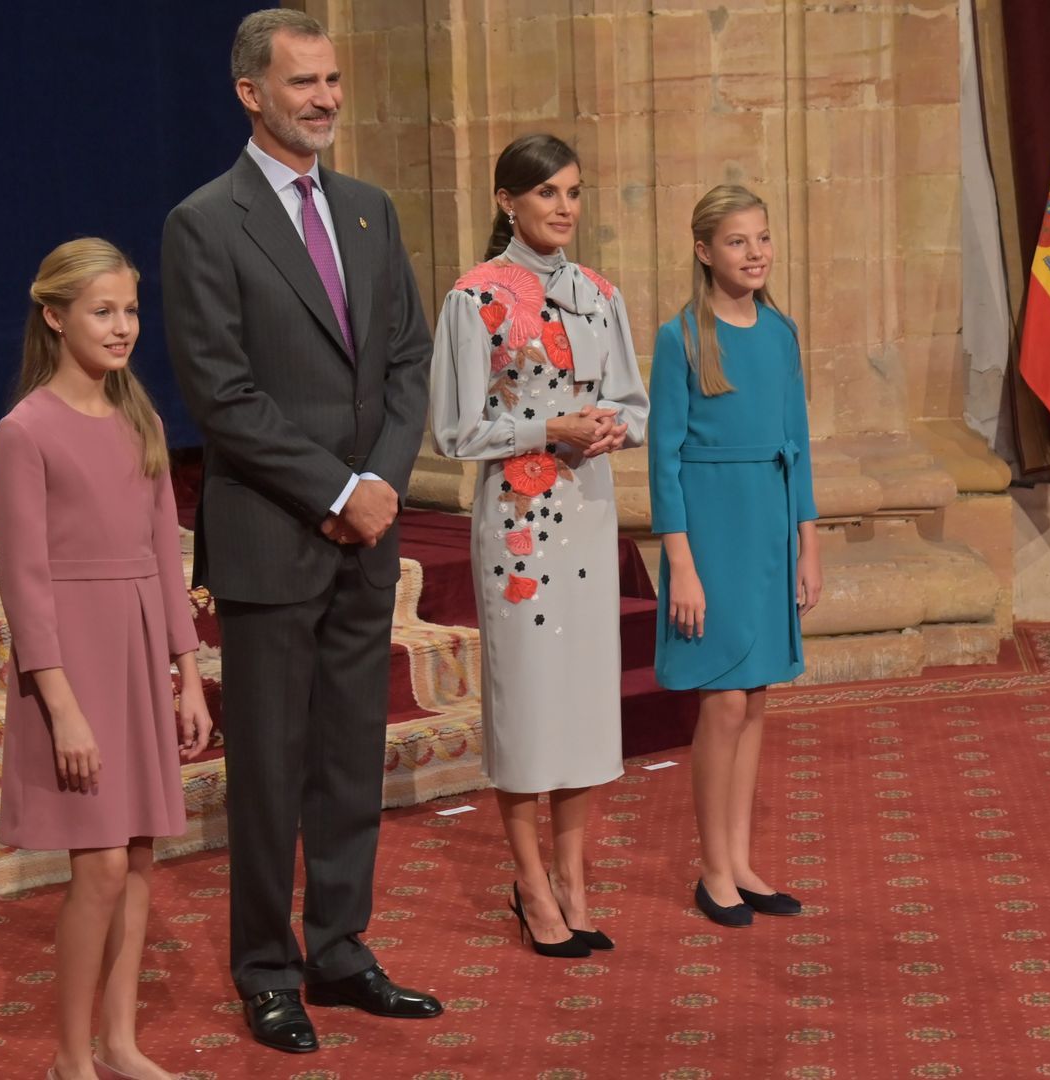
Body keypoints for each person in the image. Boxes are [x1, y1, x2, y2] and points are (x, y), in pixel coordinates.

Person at [160, 9, 439, 1055]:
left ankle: (340, 947)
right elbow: (222, 396)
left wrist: (382, 485)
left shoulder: (369, 210)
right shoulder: (205, 222)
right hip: (276, 537)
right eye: (302, 83)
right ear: (250, 93)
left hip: (366, 537)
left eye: (331, 80)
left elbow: (407, 359)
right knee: (272, 771)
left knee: (348, 758)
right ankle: (267, 968)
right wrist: (336, 490)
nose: (324, 98)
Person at [0, 237, 213, 1080]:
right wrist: (62, 705)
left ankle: (121, 1045)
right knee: (103, 864)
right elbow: (26, 581)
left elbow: (165, 551)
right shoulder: (25, 431)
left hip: (136, 656)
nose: (123, 328)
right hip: (71, 666)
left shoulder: (140, 417)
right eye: (103, 311)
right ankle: (69, 1058)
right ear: (55, 317)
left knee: (143, 855)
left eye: (130, 311)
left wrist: (187, 673)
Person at [427, 133, 650, 959]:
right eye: (548, 192)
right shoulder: (473, 298)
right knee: (527, 704)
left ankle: (575, 879)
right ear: (507, 201)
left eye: (574, 192)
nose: (563, 207)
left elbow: (635, 399)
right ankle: (528, 883)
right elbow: (454, 428)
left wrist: (612, 428)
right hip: (519, 528)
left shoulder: (600, 293)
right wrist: (542, 426)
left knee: (587, 706)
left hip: (589, 507)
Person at [648, 184, 823, 929]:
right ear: (703, 251)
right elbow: (663, 459)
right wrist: (680, 564)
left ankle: (743, 862)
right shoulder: (681, 337)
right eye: (737, 242)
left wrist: (807, 546)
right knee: (720, 701)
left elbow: (801, 446)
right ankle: (712, 869)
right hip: (711, 533)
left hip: (770, 526)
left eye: (762, 238)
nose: (755, 253)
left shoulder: (780, 332)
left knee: (755, 699)